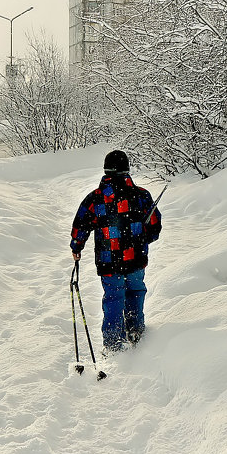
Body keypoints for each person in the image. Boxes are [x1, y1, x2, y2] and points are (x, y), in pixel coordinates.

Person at [69, 149, 162, 353]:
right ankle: (135, 329)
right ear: (127, 170)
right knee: (135, 292)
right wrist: (142, 235)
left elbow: (81, 225)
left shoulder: (95, 198)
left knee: (113, 297)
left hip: (108, 261)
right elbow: (154, 228)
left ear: (105, 170)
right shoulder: (142, 196)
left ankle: (113, 343)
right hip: (136, 259)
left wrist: (77, 246)